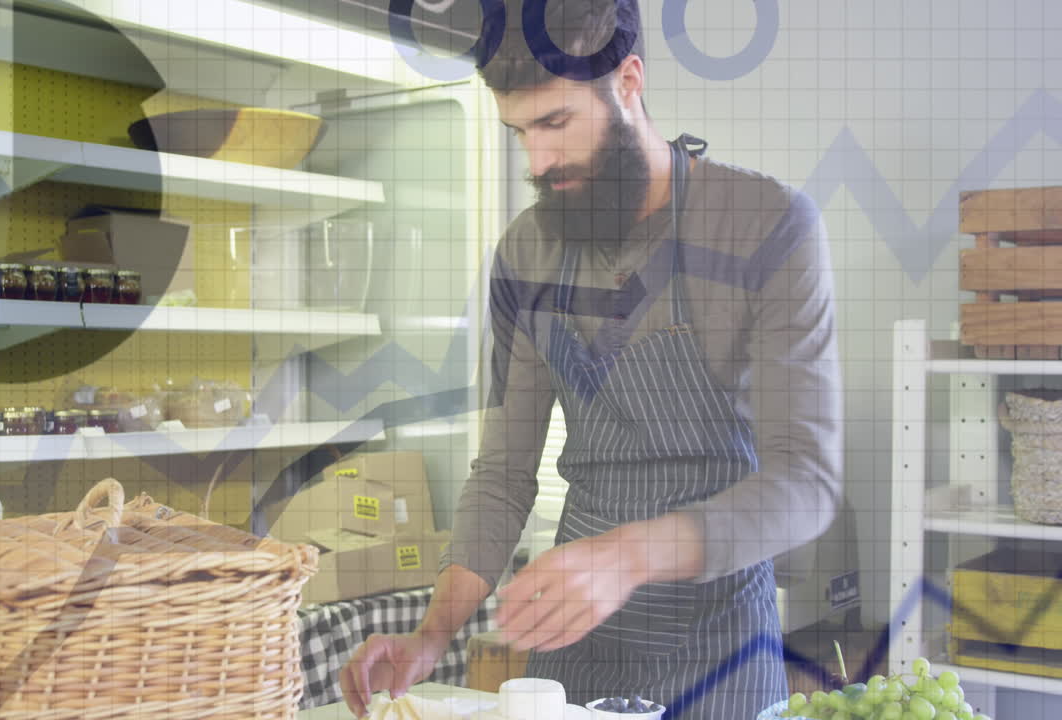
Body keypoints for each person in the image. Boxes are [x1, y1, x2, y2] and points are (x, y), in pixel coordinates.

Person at [340, 2, 843, 718]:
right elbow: (505, 472)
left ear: (628, 82)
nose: (537, 162)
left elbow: (807, 480)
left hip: (722, 642)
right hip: (572, 644)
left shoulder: (767, 227)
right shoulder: (526, 252)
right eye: (519, 132)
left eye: (555, 124)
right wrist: (431, 633)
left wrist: (630, 556)